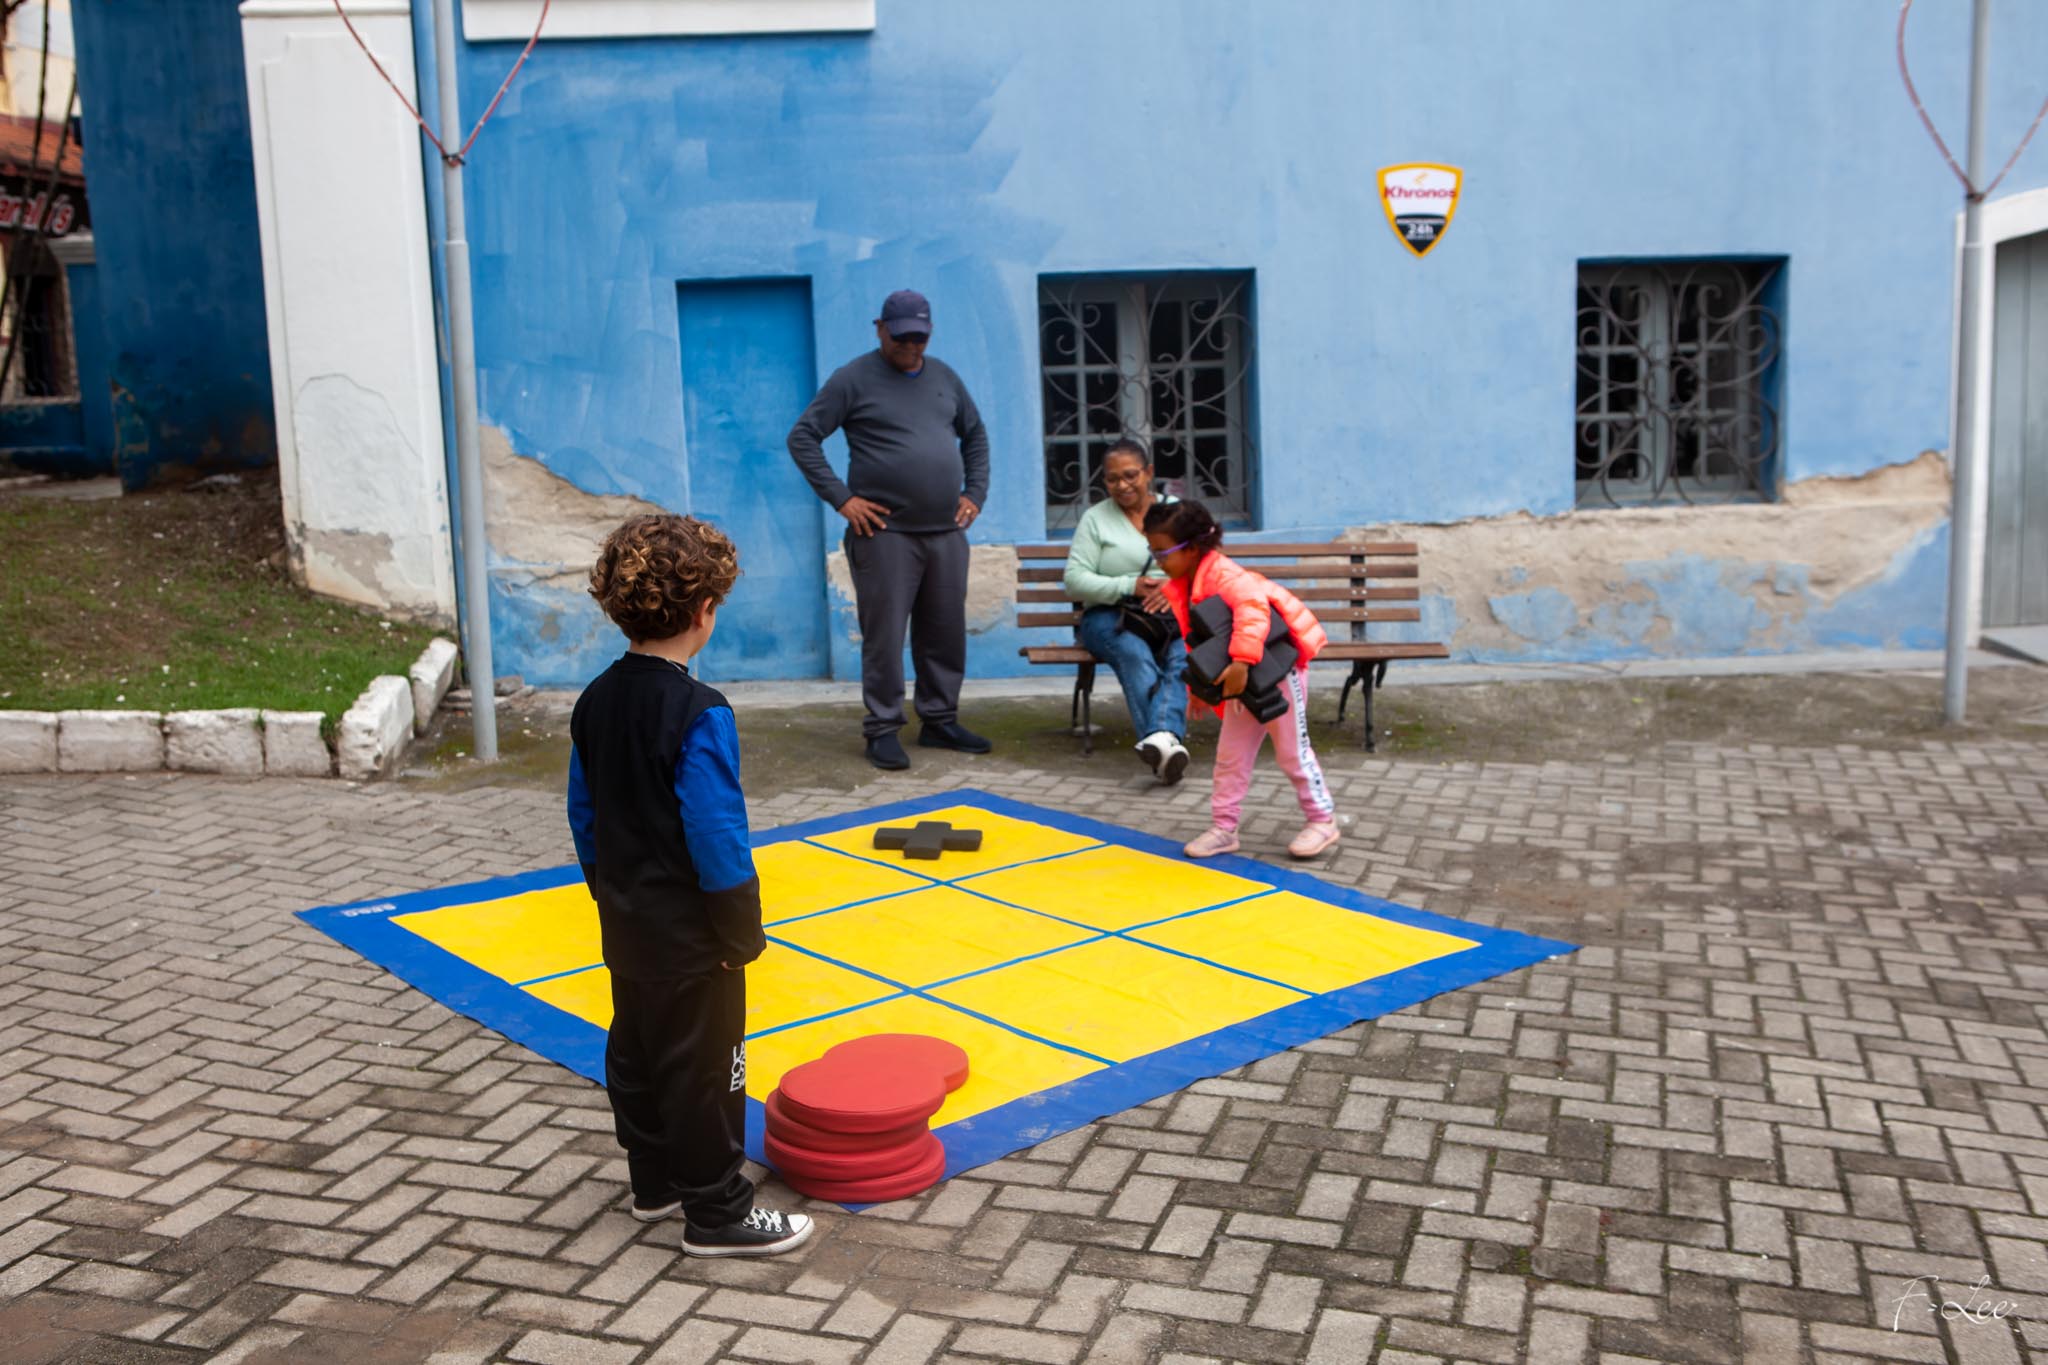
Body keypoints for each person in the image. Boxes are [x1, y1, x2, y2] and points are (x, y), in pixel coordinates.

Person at [567, 513, 815, 1258]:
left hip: (628, 926)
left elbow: (584, 814)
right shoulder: (701, 711)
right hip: (694, 938)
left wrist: (610, 893)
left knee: (638, 1054)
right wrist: (740, 928)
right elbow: (716, 833)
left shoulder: (594, 700)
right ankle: (717, 1211)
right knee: (708, 1070)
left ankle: (655, 1183)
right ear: (705, 611)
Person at [787, 289, 993, 771]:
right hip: (886, 534)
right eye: (901, 337)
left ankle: (939, 720)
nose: (910, 346)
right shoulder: (852, 379)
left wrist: (975, 492)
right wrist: (843, 499)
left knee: (944, 632)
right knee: (884, 636)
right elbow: (803, 437)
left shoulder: (945, 377)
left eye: (919, 337)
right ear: (880, 329)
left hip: (945, 532)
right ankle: (881, 728)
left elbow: (976, 435)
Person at [1143, 499, 1342, 861]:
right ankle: (1224, 828)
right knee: (1230, 757)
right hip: (1242, 678)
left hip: (1275, 671)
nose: (1157, 561)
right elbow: (1199, 641)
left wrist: (1241, 662)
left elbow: (1254, 610)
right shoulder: (1184, 585)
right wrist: (1201, 689)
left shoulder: (1226, 576)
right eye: (1152, 551)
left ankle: (1322, 819)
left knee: (1291, 752)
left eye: (1161, 552)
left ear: (1191, 549)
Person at [1062, 437, 1189, 783]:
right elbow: (1074, 581)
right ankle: (1167, 744)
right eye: (1113, 479)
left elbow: (1206, 565)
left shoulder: (1176, 511)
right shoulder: (1096, 519)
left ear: (1149, 472)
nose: (1122, 485)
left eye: (1130, 475)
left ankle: (1161, 743)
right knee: (1134, 654)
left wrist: (1174, 590)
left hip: (1169, 615)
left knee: (1184, 656)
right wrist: (1128, 585)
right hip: (1109, 615)